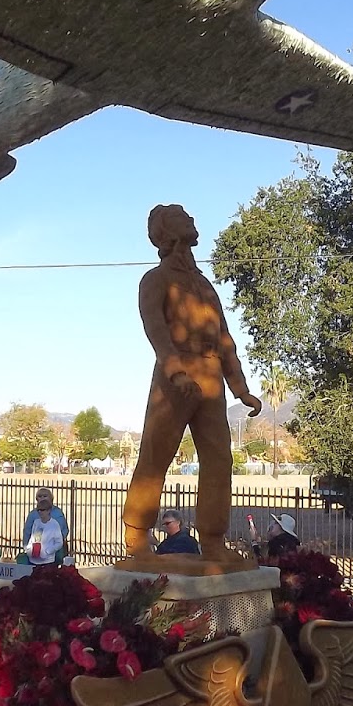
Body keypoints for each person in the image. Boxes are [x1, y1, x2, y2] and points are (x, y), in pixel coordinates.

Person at [120, 205, 262, 560]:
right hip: (176, 376)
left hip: (211, 376)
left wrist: (239, 387)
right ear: (166, 232)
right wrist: (175, 371)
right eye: (184, 218)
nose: (193, 221)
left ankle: (213, 541)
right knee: (157, 453)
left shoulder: (203, 284)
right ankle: (137, 537)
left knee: (219, 459)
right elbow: (155, 328)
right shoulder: (156, 279)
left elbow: (225, 336)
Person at [21, 488, 70, 564]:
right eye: (40, 496)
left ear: (51, 498)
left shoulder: (57, 513)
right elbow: (28, 531)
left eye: (45, 496)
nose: (42, 498)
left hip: (53, 553)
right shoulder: (33, 515)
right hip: (35, 553)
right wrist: (27, 548)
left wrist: (50, 548)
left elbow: (63, 530)